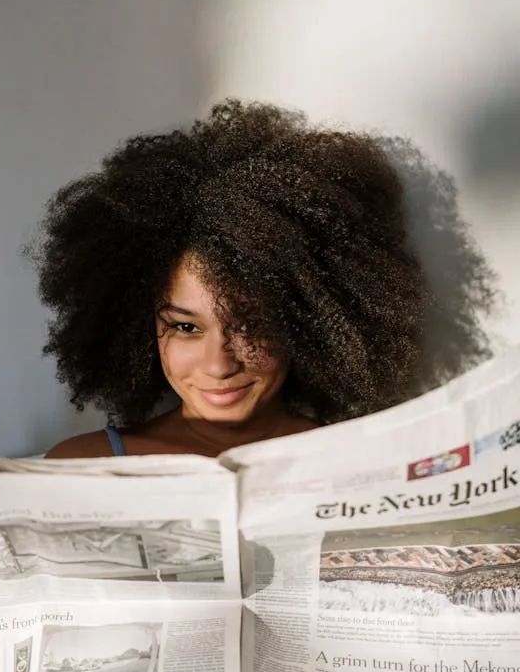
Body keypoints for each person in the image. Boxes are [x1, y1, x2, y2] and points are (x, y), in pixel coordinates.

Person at [32, 99, 495, 459]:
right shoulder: (86, 464)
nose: (219, 366)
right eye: (185, 326)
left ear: (310, 323)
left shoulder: (363, 460)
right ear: (136, 329)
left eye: (251, 325)